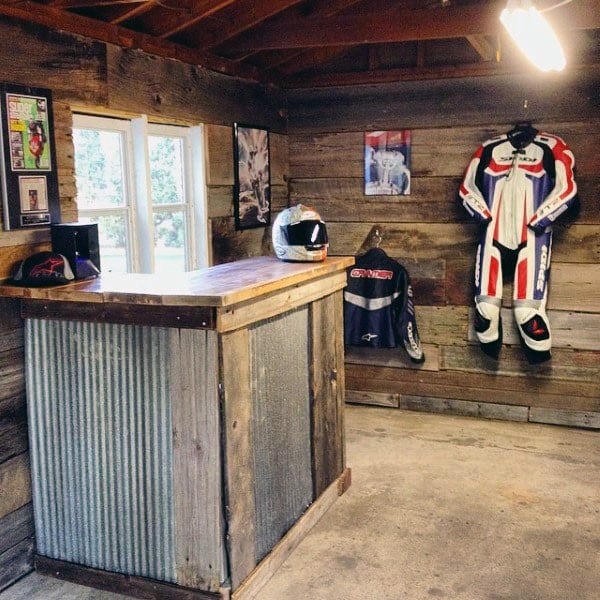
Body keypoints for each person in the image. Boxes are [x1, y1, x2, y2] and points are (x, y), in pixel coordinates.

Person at [459, 124, 578, 362]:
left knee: (528, 312)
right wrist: (483, 215)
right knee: (485, 310)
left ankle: (538, 359)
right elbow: (466, 188)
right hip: (492, 232)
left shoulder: (552, 146)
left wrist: (541, 218)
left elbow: (568, 188)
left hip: (534, 235)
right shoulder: (488, 148)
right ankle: (489, 358)